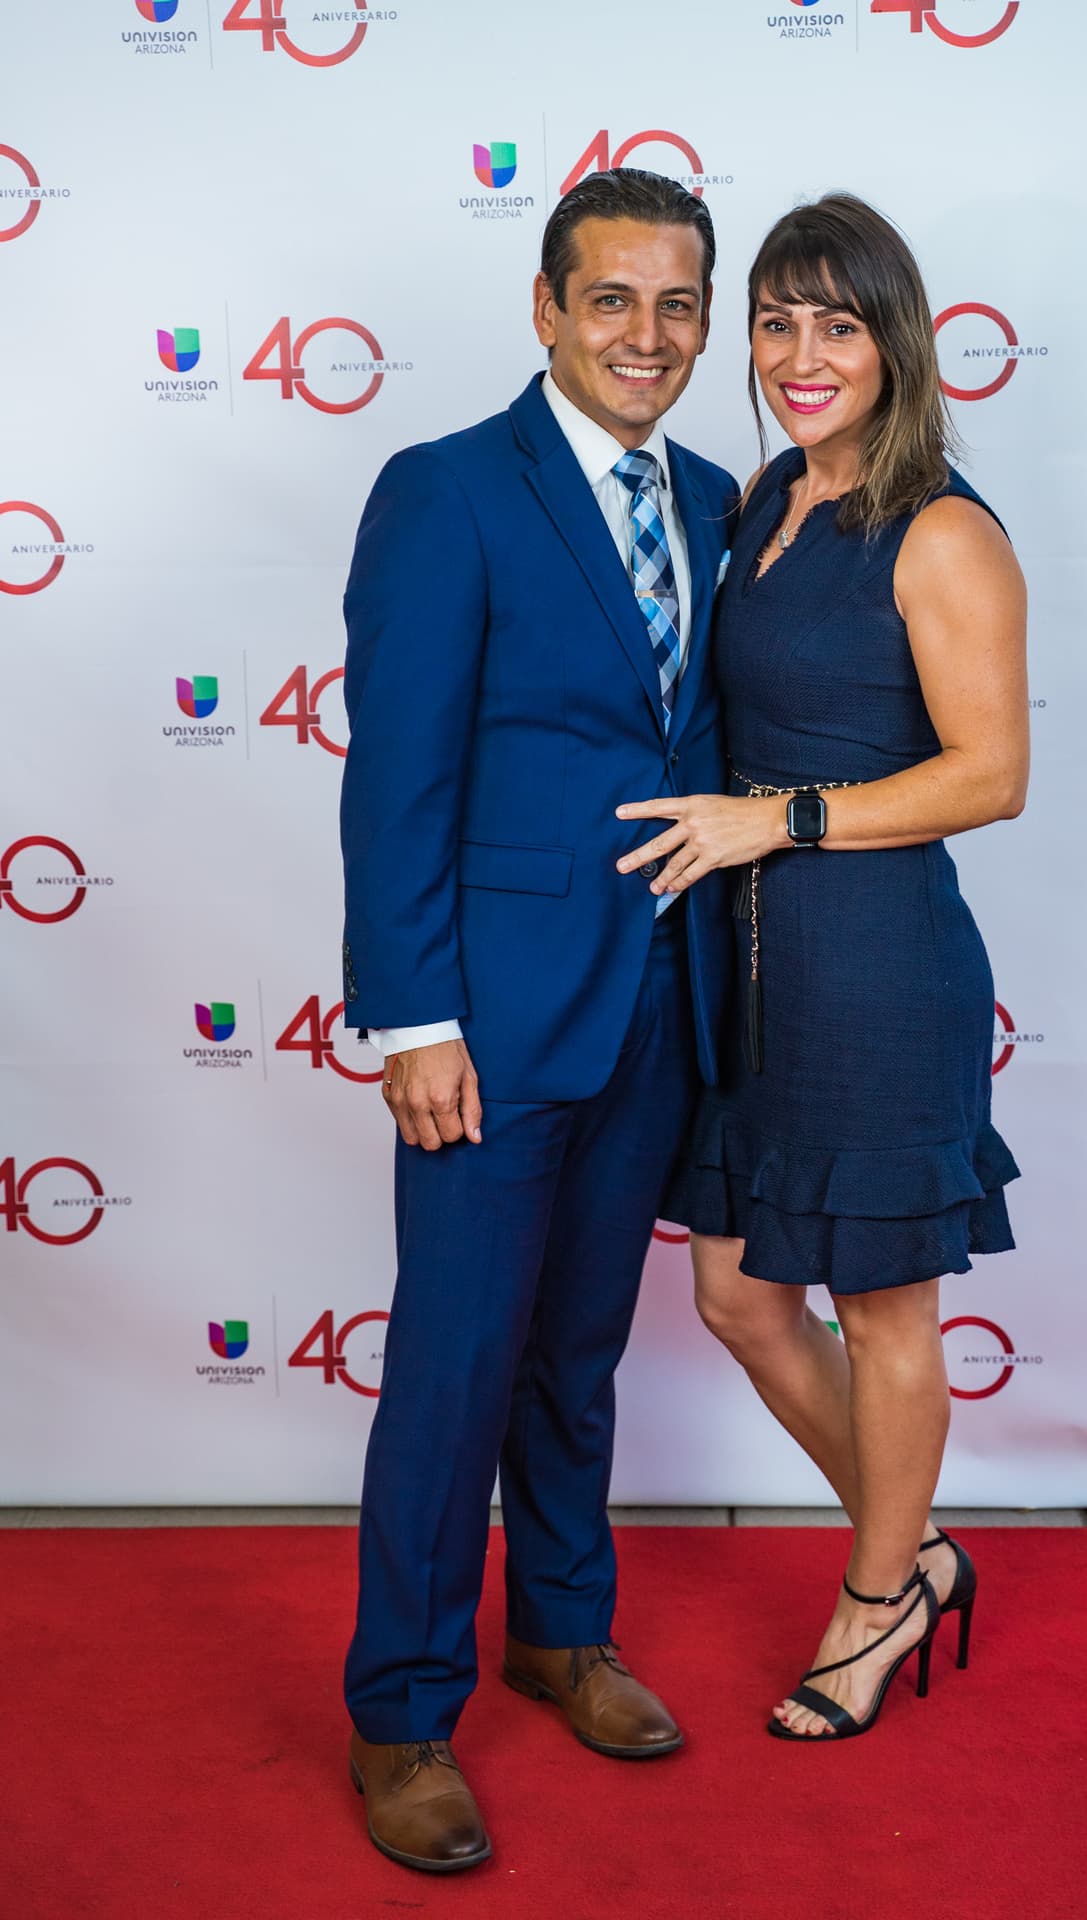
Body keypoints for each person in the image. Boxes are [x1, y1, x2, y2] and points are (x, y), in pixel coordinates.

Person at [338, 168, 737, 1869]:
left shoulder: (725, 499)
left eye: (678, 304)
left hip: (661, 1002)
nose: (647, 335)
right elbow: (400, 777)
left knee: (579, 1356)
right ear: (546, 307)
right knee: (454, 1365)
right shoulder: (445, 493)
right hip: (488, 1027)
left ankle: (561, 1629)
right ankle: (402, 1712)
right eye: (613, 300)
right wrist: (413, 1017)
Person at [617, 193, 1027, 1742]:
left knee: (886, 1310)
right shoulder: (761, 500)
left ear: (892, 342)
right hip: (747, 963)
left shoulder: (942, 530)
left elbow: (991, 776)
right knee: (737, 1294)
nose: (800, 352)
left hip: (874, 967)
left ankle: (872, 1598)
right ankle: (914, 1548)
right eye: (777, 320)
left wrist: (771, 819)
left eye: (836, 323)